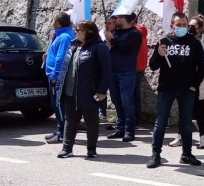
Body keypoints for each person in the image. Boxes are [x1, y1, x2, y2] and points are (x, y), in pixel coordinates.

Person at [147, 12, 204, 169]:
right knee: (160, 123)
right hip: (166, 88)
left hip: (186, 89)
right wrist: (159, 55)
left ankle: (186, 154)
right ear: (172, 25)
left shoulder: (194, 43)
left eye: (184, 25)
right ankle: (155, 155)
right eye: (178, 24)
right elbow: (153, 65)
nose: (181, 27)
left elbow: (201, 66)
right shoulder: (164, 42)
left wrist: (195, 84)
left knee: (186, 123)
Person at [56, 21, 111, 159]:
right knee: (70, 120)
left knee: (91, 121)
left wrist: (102, 90)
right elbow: (66, 67)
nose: (76, 32)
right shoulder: (73, 45)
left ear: (88, 32)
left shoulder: (99, 47)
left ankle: (91, 149)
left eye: (78, 29)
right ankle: (67, 149)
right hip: (70, 91)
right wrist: (60, 87)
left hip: (89, 92)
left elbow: (106, 70)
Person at [169, 15, 204, 149]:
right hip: (186, 79)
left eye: (192, 26)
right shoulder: (185, 40)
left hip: (201, 79)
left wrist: (192, 56)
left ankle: (203, 137)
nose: (188, 29)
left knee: (201, 109)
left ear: (201, 28)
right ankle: (180, 136)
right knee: (184, 109)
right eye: (187, 25)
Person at [106, 13, 141, 142]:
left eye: (119, 17)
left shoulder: (135, 34)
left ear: (126, 19)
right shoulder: (117, 32)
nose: (116, 19)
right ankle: (120, 128)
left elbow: (126, 47)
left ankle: (129, 130)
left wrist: (113, 40)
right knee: (117, 101)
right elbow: (115, 48)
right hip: (113, 71)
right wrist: (109, 45)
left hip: (126, 72)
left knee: (127, 102)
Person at [44, 12, 76, 144]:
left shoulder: (64, 37)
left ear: (58, 23)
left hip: (57, 76)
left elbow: (61, 57)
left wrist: (55, 74)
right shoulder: (60, 35)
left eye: (54, 21)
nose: (52, 23)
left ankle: (62, 133)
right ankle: (59, 130)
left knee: (58, 105)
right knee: (57, 104)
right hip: (54, 74)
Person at [133, 21, 148, 129]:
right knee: (135, 93)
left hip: (133, 67)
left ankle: (134, 120)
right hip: (140, 66)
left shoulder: (133, 33)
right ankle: (135, 119)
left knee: (132, 95)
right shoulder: (140, 32)